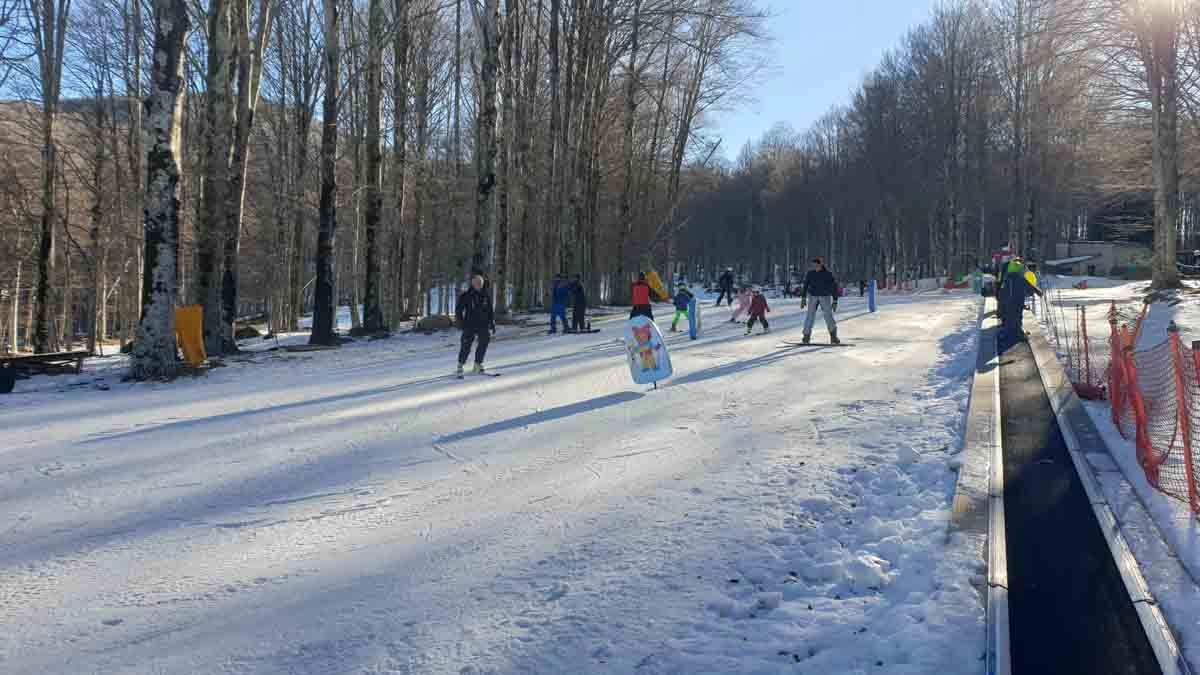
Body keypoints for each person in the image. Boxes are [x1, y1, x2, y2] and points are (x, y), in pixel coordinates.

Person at [455, 273, 496, 376]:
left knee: (484, 341)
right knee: (466, 345)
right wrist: (461, 323)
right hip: (469, 324)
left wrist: (492, 323)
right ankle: (460, 364)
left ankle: (478, 364)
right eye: (477, 283)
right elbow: (459, 310)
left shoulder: (485, 295)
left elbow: (490, 311)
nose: (479, 285)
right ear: (472, 283)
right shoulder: (466, 295)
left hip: (483, 324)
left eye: (480, 283)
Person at [999, 259, 1043, 349]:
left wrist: (1002, 302)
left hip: (1009, 303)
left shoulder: (1007, 279)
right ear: (1018, 270)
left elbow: (1002, 292)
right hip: (1017, 302)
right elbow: (1030, 287)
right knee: (1017, 318)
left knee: (1010, 319)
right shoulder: (1020, 278)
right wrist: (1038, 292)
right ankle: (1017, 335)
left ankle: (1008, 334)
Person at [800, 257, 840, 345]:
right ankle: (806, 336)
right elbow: (806, 285)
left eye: (816, 265)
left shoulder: (828, 274)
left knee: (828, 316)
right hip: (813, 296)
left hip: (824, 296)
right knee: (810, 316)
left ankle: (833, 336)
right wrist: (803, 298)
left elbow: (834, 287)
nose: (814, 266)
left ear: (820, 264)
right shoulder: (810, 273)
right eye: (813, 265)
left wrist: (835, 300)